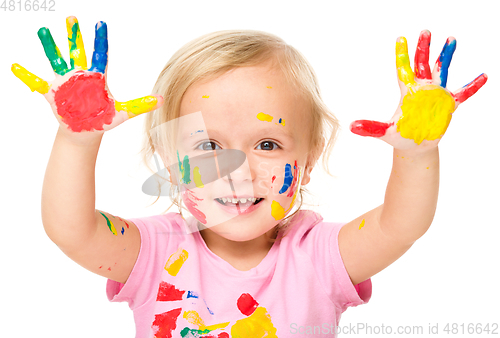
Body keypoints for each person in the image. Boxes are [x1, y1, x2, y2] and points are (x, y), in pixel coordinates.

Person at [12, 16, 487, 338]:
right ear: (166, 157)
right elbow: (70, 229)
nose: (236, 171)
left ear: (308, 156)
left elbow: (401, 226)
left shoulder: (318, 257)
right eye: (208, 146)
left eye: (267, 144)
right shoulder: (153, 253)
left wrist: (417, 153)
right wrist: (77, 140)